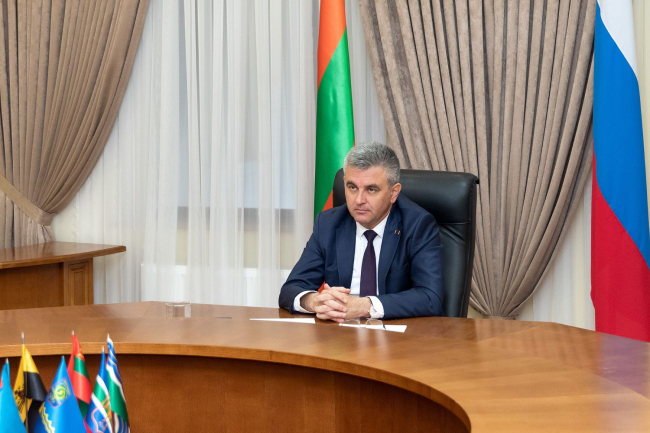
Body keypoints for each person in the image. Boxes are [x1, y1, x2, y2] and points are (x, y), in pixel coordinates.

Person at [278, 142, 444, 321]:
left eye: (371, 189)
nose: (359, 200)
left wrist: (365, 306)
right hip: (340, 332)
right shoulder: (329, 224)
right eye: (352, 187)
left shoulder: (417, 225)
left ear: (393, 192)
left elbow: (430, 297)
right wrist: (315, 302)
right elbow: (291, 289)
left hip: (397, 333)